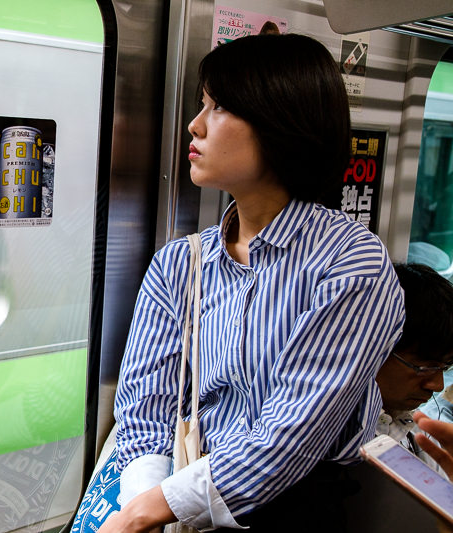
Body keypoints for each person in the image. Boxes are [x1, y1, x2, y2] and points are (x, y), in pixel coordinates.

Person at [77, 34, 406, 533]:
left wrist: (145, 513)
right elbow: (145, 406)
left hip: (294, 510)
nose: (196, 124)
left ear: (282, 124)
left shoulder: (350, 263)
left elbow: (292, 432)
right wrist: (148, 502)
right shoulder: (180, 262)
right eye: (201, 104)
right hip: (174, 497)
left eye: (221, 106)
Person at [375, 263, 453, 473]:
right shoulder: (331, 436)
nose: (437, 385)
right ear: (375, 348)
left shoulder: (415, 430)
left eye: (443, 367)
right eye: (424, 366)